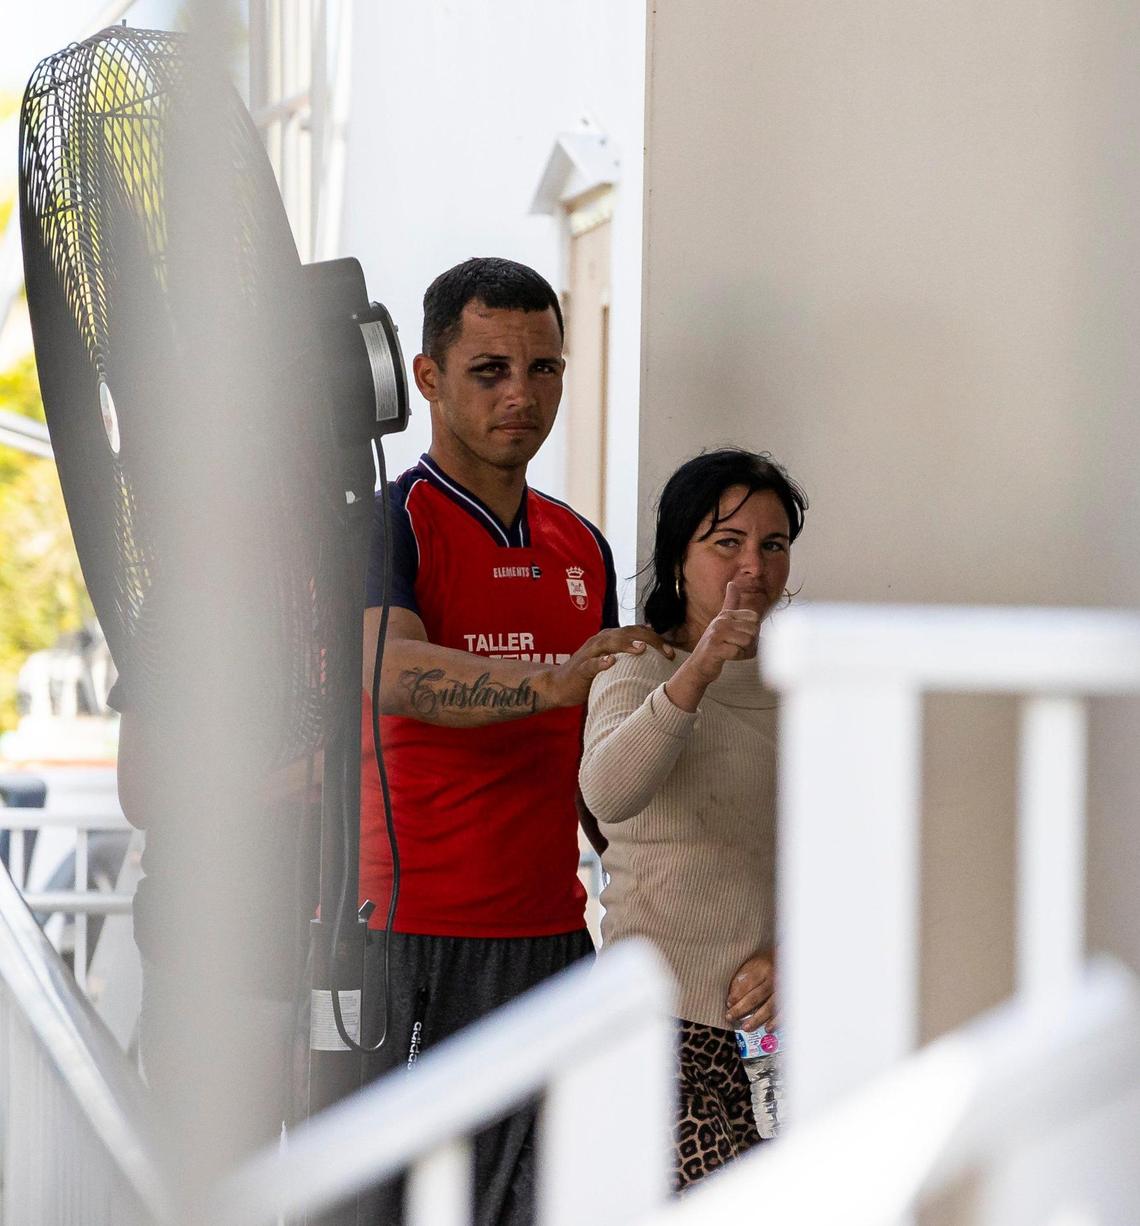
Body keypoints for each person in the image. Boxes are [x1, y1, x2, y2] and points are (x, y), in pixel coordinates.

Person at [358, 257, 671, 1225]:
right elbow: (391, 672)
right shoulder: (388, 518)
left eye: (544, 368)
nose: (521, 395)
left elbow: (596, 754)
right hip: (410, 935)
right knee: (389, 1206)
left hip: (549, 936)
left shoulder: (581, 542)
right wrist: (553, 678)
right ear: (427, 377)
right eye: (490, 368)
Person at [578, 447, 808, 1191]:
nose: (753, 566)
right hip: (657, 1032)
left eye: (773, 546)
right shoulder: (637, 668)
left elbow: (846, 852)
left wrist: (794, 953)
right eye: (727, 543)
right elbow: (608, 793)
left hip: (780, 1038)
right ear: (679, 558)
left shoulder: (807, 681)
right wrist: (701, 666)